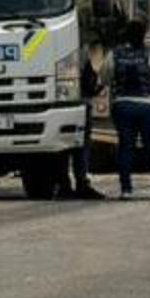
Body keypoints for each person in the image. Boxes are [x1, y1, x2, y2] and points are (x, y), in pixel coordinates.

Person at [100, 19, 150, 199]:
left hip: (123, 106)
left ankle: (126, 190)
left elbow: (104, 78)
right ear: (144, 35)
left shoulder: (114, 55)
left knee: (126, 148)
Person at [57, 47, 107, 199]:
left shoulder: (54, 51)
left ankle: (63, 185)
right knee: (81, 147)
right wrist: (100, 86)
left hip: (61, 105)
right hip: (80, 104)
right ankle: (81, 183)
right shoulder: (80, 54)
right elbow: (90, 84)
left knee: (62, 147)